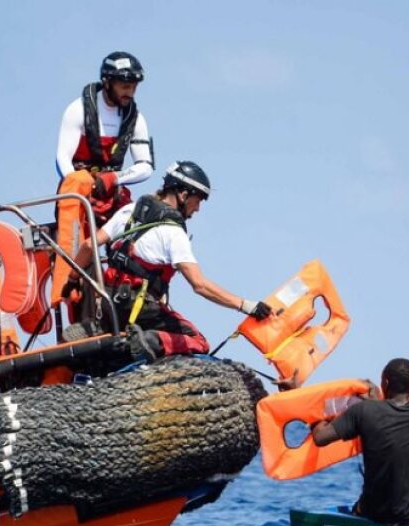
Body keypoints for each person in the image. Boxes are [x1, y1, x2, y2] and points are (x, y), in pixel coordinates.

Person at [68, 161, 271, 357]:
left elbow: (87, 245)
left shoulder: (129, 212)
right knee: (197, 341)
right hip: (140, 309)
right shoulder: (173, 233)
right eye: (198, 200)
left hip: (107, 303)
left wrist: (71, 280)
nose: (198, 208)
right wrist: (246, 305)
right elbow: (199, 285)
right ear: (183, 195)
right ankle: (149, 341)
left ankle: (95, 328)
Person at [52, 52, 154, 308]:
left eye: (133, 87)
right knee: (78, 248)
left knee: (136, 235)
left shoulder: (136, 118)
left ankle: (135, 301)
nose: (130, 92)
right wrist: (80, 187)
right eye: (124, 86)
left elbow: (146, 166)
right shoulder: (78, 110)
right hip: (79, 195)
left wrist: (114, 178)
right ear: (107, 82)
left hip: (113, 194)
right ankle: (72, 297)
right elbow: (62, 157)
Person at [311, 358, 409, 524]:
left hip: (374, 511)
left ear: (385, 382)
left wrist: (315, 416)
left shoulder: (363, 411)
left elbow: (320, 438)